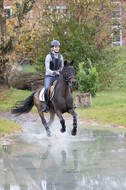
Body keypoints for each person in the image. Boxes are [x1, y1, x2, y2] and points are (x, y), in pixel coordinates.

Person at [42, 40, 64, 112]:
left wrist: (63, 73)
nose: (57, 48)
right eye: (55, 47)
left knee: (66, 86)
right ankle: (46, 105)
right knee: (46, 89)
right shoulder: (48, 56)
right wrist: (54, 73)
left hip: (57, 76)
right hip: (49, 76)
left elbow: (62, 68)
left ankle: (70, 103)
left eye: (58, 47)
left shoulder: (60, 56)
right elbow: (47, 69)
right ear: (52, 48)